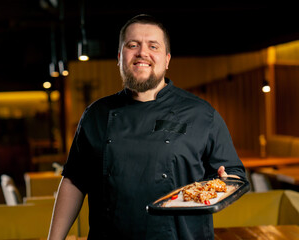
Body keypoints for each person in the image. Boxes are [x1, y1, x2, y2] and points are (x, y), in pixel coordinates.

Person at [47, 14, 247, 240]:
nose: (142, 52)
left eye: (153, 46)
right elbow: (74, 180)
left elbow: (234, 176)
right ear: (120, 57)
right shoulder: (96, 114)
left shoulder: (202, 114)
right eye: (133, 45)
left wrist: (225, 182)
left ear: (167, 59)